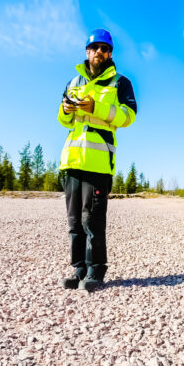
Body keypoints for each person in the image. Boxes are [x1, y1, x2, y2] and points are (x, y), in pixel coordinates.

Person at [57, 28, 137, 292]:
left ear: (110, 53)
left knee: (92, 219)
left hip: (98, 163)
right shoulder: (72, 82)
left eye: (105, 48)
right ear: (87, 52)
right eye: (95, 48)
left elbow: (128, 116)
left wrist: (97, 108)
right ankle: (78, 269)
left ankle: (96, 270)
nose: (99, 52)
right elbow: (63, 120)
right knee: (74, 220)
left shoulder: (120, 83)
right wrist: (66, 109)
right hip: (72, 161)